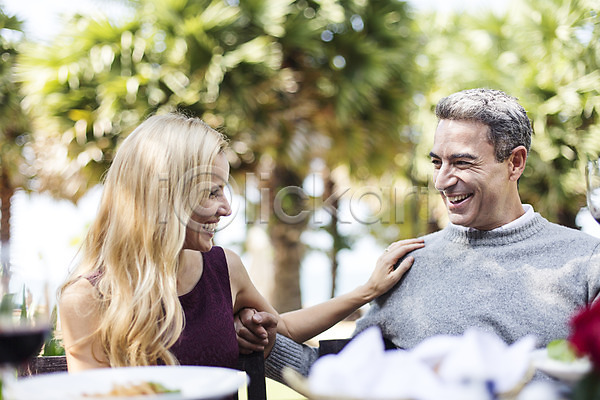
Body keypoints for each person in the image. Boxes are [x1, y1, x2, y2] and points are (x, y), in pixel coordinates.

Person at [236, 88, 600, 382]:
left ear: (515, 163)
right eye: (436, 162)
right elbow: (349, 378)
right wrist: (267, 348)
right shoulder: (409, 262)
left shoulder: (587, 261)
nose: (442, 180)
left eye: (461, 162)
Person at [57, 112, 425, 371]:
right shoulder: (87, 298)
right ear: (163, 197)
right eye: (212, 192)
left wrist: (367, 291)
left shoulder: (223, 268)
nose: (227, 207)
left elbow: (285, 329)